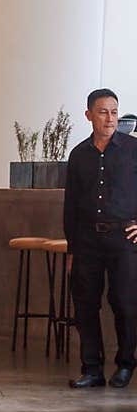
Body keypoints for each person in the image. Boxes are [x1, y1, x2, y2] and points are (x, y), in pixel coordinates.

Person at [64, 88, 137, 390]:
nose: (110, 118)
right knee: (85, 305)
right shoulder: (79, 154)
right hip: (87, 241)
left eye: (114, 112)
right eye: (103, 112)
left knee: (125, 303)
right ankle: (92, 369)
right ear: (89, 115)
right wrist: (72, 249)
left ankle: (125, 365)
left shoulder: (134, 149)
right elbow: (71, 205)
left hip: (124, 240)